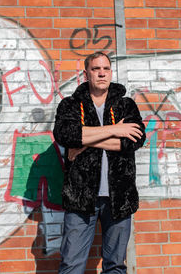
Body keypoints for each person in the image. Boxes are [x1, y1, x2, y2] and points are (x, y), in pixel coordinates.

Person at [53, 51, 146, 274]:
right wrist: (115, 130)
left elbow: (133, 140)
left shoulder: (126, 105)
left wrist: (84, 142)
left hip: (119, 198)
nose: (102, 73)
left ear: (111, 72)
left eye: (106, 69)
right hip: (80, 197)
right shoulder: (71, 105)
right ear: (86, 74)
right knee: (71, 265)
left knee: (115, 266)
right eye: (96, 69)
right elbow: (65, 135)